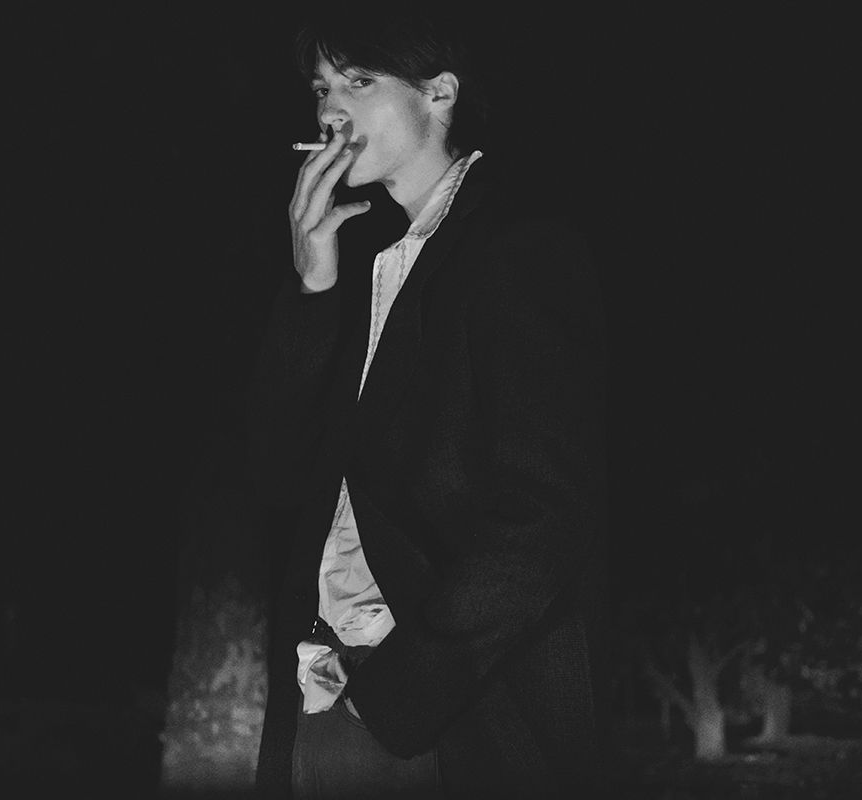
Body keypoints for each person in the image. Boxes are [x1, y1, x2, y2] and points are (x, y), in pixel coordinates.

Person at [247, 8, 611, 798]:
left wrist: (401, 696)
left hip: (442, 721)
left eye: (358, 80)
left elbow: (547, 512)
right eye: (320, 88)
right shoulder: (370, 261)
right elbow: (278, 471)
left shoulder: (518, 250)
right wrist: (311, 285)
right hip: (328, 688)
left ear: (439, 92)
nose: (329, 110)